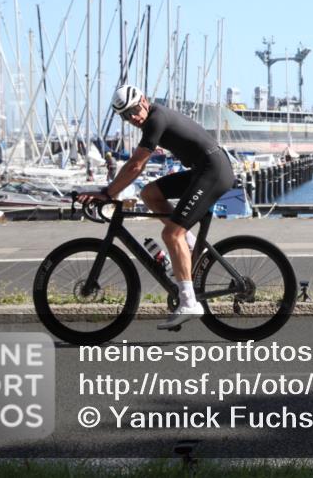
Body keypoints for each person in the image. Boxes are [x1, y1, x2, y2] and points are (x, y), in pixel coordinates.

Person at [78, 85, 235, 329]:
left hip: (213, 171)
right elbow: (136, 167)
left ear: (144, 100)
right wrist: (110, 192)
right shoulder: (153, 118)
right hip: (203, 170)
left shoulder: (155, 119)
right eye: (125, 116)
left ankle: (189, 301)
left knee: (171, 234)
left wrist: (107, 193)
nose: (132, 118)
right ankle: (191, 246)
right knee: (149, 193)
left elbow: (135, 165)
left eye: (133, 111)